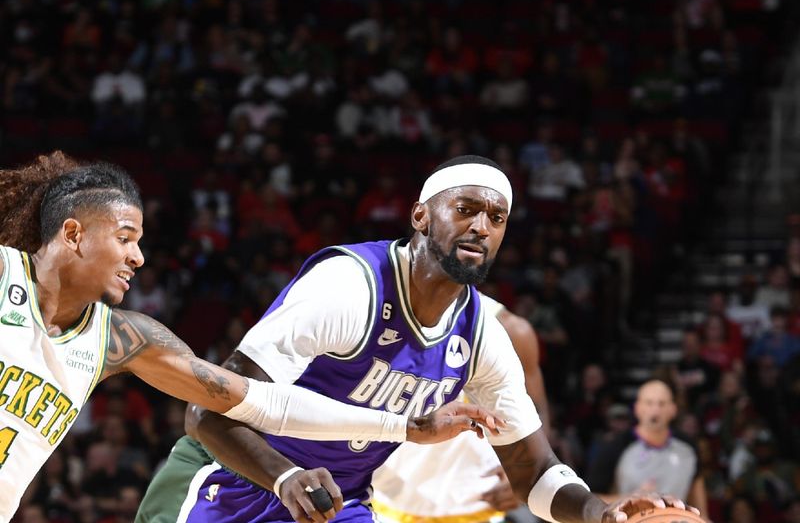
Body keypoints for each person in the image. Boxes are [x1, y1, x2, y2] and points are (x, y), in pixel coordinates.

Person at [136, 155, 698, 523]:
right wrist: (284, 476)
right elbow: (207, 415)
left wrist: (604, 515)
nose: (482, 226)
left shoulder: (484, 335)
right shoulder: (348, 285)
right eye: (467, 209)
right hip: (228, 486)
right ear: (421, 217)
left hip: (337, 505)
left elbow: (532, 471)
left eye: (496, 218)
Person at [0, 152, 499, 522]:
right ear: (73, 234)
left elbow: (262, 404)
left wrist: (405, 427)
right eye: (125, 238)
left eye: (141, 243)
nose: (139, 257)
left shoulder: (122, 337)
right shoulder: (5, 275)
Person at [370, 294, 550, 523]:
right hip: (383, 503)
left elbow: (537, 411)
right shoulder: (374, 311)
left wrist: (527, 472)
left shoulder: (511, 331)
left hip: (476, 507)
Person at [585, 379, 709, 519]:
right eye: (649, 403)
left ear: (673, 409)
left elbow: (700, 506)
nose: (655, 410)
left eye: (661, 403)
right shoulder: (615, 446)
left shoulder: (688, 448)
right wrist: (631, 499)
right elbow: (590, 500)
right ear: (637, 408)